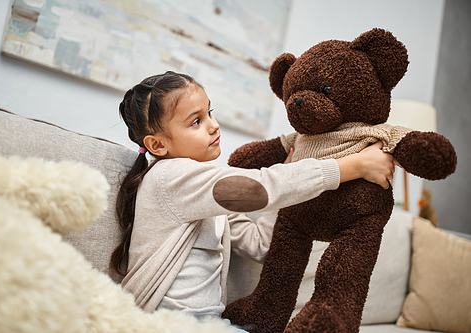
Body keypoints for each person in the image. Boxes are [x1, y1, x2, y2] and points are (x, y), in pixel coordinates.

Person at [110, 71, 395, 331]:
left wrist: (288, 192)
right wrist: (354, 165)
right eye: (196, 121)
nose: (214, 126)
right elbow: (258, 188)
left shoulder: (209, 200)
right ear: (158, 145)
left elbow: (260, 246)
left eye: (209, 113)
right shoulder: (170, 176)